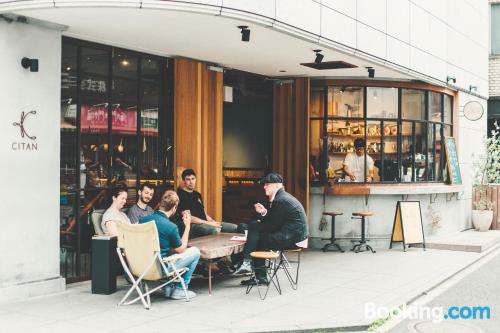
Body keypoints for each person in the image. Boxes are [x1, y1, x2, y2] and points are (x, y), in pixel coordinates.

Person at [234, 173, 308, 285]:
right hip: (294, 235)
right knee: (255, 232)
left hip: (293, 238)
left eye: (267, 184)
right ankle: (252, 269)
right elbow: (276, 221)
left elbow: (273, 226)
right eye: (264, 184)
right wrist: (263, 213)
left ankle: (250, 266)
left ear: (277, 185)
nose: (264, 187)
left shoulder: (280, 200)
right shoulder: (281, 197)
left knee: (256, 236)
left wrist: (257, 226)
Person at [140, 190, 200, 300]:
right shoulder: (170, 226)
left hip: (140, 267)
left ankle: (168, 287)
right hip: (159, 269)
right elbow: (181, 249)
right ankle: (180, 289)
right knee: (195, 251)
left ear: (160, 204)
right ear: (174, 208)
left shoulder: (142, 221)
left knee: (166, 252)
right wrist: (187, 226)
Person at [177, 169, 238, 238]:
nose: (191, 182)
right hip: (193, 225)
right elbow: (189, 217)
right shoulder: (180, 195)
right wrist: (208, 223)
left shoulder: (197, 195)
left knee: (234, 228)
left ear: (195, 179)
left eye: (193, 179)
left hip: (205, 223)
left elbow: (204, 214)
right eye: (188, 179)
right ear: (184, 181)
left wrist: (213, 222)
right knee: (214, 230)